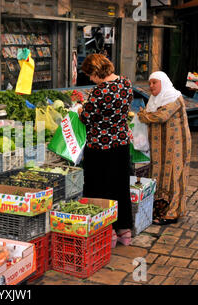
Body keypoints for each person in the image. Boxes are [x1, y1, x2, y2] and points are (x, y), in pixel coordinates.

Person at [77, 53, 134, 247]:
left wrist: (80, 110)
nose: (91, 79)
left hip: (100, 148)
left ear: (96, 71)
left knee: (99, 189)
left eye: (90, 75)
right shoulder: (126, 83)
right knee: (120, 187)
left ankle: (105, 233)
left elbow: (86, 117)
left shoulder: (99, 91)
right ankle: (124, 231)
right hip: (121, 145)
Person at [137, 71, 192, 225]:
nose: (151, 86)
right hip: (159, 146)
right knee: (158, 174)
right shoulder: (154, 100)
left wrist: (143, 115)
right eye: (150, 83)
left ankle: (173, 212)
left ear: (163, 82)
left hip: (176, 144)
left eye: (155, 82)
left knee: (175, 175)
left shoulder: (174, 97)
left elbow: (161, 116)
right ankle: (161, 209)